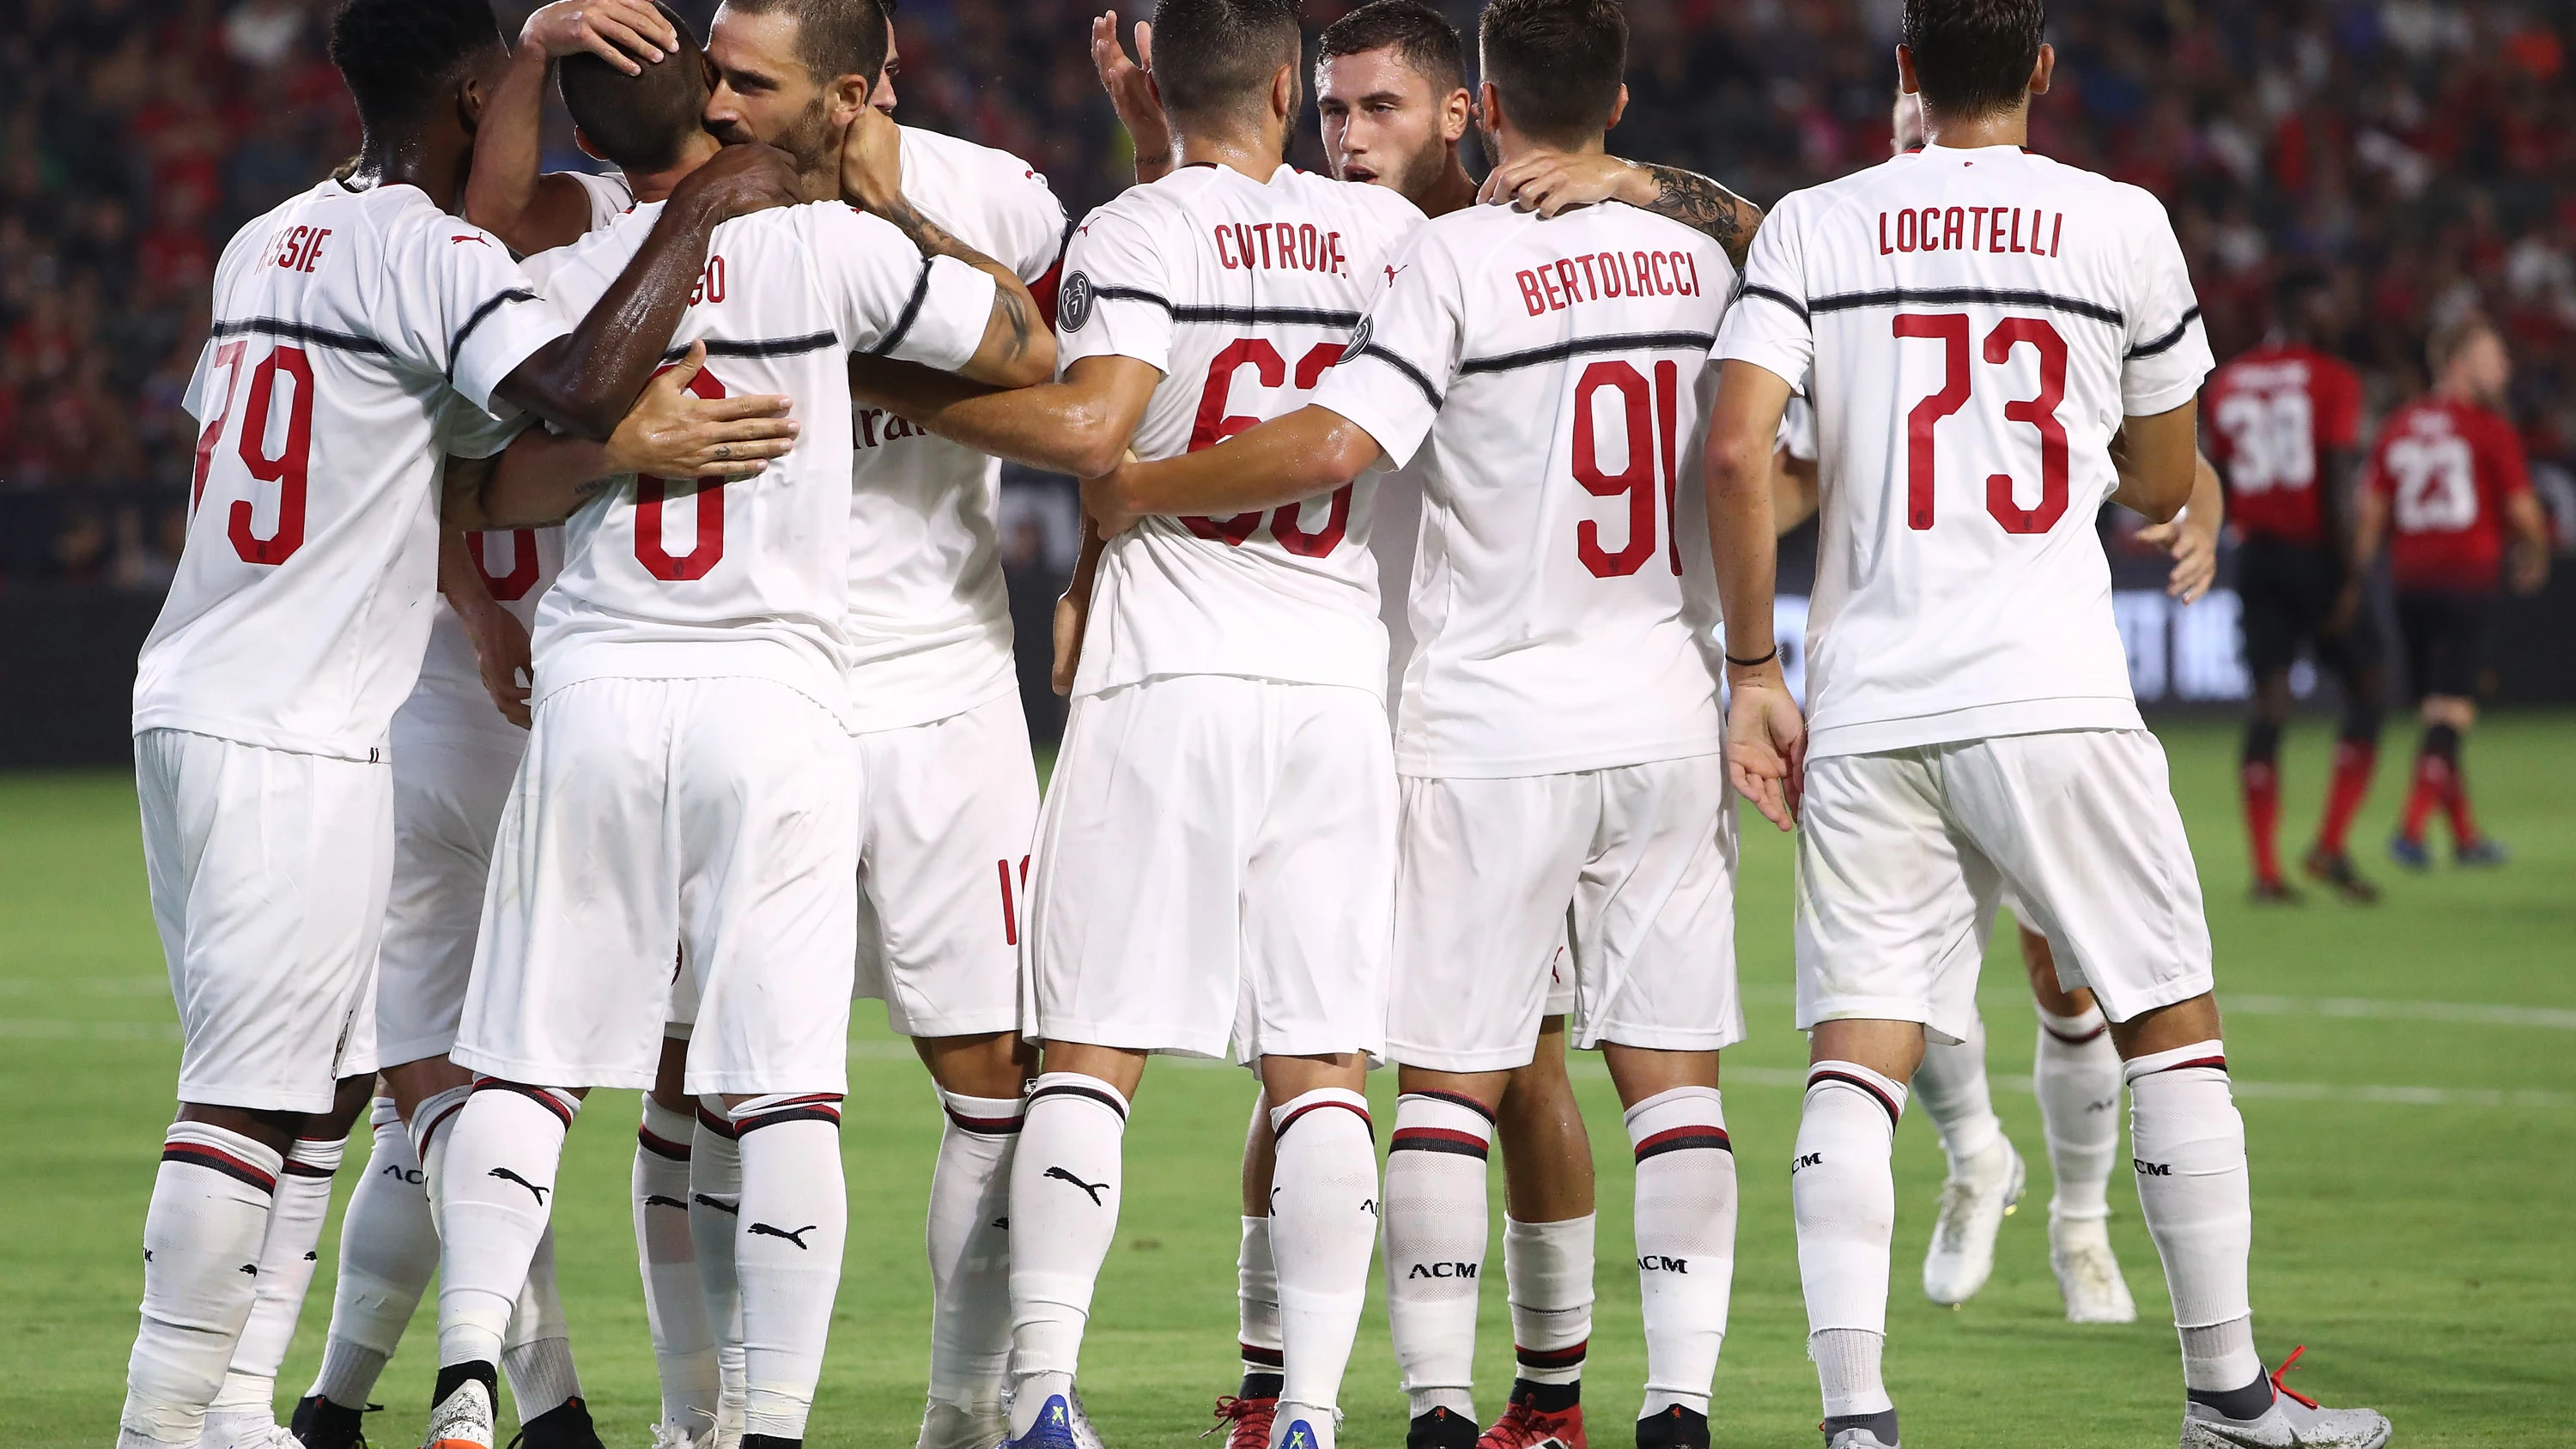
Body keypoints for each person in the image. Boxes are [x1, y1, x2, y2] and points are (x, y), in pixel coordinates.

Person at [1702, 2, 2390, 1446]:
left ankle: (1856, 1419)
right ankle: (2227, 1398)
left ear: (1902, 75)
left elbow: (1734, 443)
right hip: (2052, 683)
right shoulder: (2120, 223)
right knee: (2171, 1028)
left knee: (1853, 1058)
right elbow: (2157, 477)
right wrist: (2157, 486)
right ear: (2041, 75)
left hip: (1877, 695)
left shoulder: (1821, 225)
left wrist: (1756, 661)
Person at [117, 0, 797, 1442]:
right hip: (292, 727)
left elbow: (335, 442)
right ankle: (162, 1420)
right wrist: (713, 214)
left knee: (315, 1087)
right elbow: (573, 382)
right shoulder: (428, 255)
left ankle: (250, 1410)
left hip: (194, 689)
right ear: (481, 98)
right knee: (249, 1104)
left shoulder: (267, 236)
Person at [1089, 9, 1765, 1447]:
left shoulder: (1444, 255)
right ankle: (1281, 1368)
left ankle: (1522, 1391)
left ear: (1470, 111)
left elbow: (1336, 441)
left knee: (1496, 1063)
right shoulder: (1336, 234)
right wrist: (1159, 135)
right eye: (1329, 110)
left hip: (1467, 706)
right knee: (1314, 1039)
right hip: (1410, 691)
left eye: (1381, 108)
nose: (1348, 138)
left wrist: (1634, 176)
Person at [416, 4, 1055, 1444]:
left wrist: (602, 446)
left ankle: (468, 1376)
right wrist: (891, 222)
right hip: (776, 690)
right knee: (783, 1095)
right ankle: (767, 1422)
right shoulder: (820, 243)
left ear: (588, 133)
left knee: (525, 1054)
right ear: (712, 97)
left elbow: (476, 481)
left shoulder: (560, 271)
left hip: (596, 681)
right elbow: (1021, 338)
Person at [848, 4, 1430, 1446]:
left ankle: (1042, 1386)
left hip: (1162, 678)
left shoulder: (1135, 224)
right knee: (1321, 1068)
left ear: (1159, 88)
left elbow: (1100, 427)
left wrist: (900, 389)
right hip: (1329, 680)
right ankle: (1306, 1408)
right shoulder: (1391, 241)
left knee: (1091, 1050)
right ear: (1297, 87)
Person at [2203, 269, 2384, 903]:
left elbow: (2218, 473)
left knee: (2270, 704)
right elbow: (2336, 480)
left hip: (2257, 558)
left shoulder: (2227, 382)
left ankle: (2265, 871)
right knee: (2368, 687)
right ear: (2301, 306)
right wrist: (2351, 575)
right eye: (2328, 297)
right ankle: (2330, 844)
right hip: (2316, 554)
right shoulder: (2333, 378)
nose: (2338, 309)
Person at [2354, 310, 2552, 870]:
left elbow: (2370, 511)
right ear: (2460, 364)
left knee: (2438, 712)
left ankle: (2465, 838)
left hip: (2409, 585)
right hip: (2466, 580)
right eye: (2494, 355)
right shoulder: (2488, 428)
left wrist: (2361, 580)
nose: (2505, 365)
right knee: (2452, 714)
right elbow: (2523, 512)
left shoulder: (2398, 424)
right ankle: (2411, 832)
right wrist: (2534, 552)